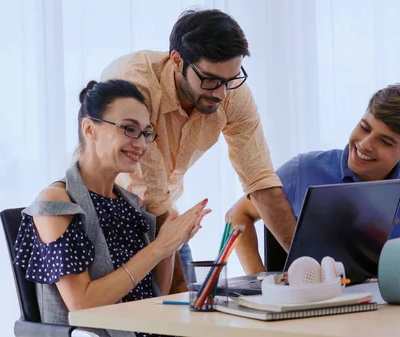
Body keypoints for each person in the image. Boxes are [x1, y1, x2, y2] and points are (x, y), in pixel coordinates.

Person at [101, 9, 297, 292]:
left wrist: (309, 267)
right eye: (209, 79)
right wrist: (181, 288)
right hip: (112, 223)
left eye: (229, 80)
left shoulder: (229, 89)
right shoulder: (136, 87)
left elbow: (260, 181)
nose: (220, 93)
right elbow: (150, 196)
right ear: (177, 61)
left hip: (166, 216)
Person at [14, 79, 211, 337]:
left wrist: (170, 245)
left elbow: (152, 294)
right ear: (89, 129)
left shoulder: (131, 204)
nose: (140, 144)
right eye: (129, 129)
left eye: (146, 133)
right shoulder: (56, 204)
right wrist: (159, 247)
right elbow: (82, 305)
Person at [227, 83, 400, 274]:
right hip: (316, 306)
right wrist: (259, 278)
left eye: (385, 142)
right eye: (365, 128)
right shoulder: (303, 169)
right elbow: (238, 214)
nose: (365, 144)